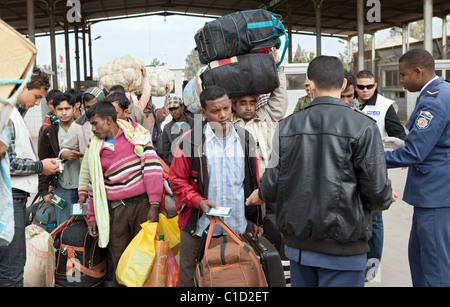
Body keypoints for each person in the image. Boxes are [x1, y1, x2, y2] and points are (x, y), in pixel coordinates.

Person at [246, 56, 396, 287]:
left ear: (311, 84)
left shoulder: (286, 127)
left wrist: (260, 193)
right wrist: (386, 193)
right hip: (344, 249)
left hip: (299, 249)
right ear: (344, 85)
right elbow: (376, 194)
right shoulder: (364, 127)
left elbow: (273, 182)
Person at [168, 85, 262, 287]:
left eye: (226, 109)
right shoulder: (188, 143)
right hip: (198, 229)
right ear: (203, 113)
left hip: (235, 228)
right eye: (215, 111)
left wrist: (255, 218)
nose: (223, 115)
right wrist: (199, 202)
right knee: (191, 281)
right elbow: (176, 181)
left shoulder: (245, 139)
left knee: (234, 280)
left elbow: (253, 182)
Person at [384, 48, 450, 287]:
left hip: (435, 194)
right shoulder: (442, 91)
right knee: (420, 256)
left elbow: (414, 153)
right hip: (435, 192)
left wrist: (372, 157)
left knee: (434, 266)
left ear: (418, 72)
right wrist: (405, 142)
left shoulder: (433, 102)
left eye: (403, 75)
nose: (401, 81)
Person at [84, 101, 163, 286]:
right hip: (117, 210)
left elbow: (152, 169)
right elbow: (93, 185)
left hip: (142, 206)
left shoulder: (136, 136)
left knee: (145, 256)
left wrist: (154, 204)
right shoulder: (95, 148)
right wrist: (92, 217)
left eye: (95, 123)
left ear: (109, 120)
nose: (92, 128)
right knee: (120, 259)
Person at [0, 68, 60, 287]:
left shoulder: (12, 112)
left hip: (12, 196)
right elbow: (10, 163)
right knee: (12, 266)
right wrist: (40, 166)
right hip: (11, 197)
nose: (37, 103)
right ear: (23, 86)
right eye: (36, 97)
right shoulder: (7, 115)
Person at [354, 69, 406, 276]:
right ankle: (356, 265)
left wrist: (401, 153)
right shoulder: (349, 102)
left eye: (369, 86)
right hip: (351, 171)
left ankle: (372, 270)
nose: (365, 90)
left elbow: (399, 136)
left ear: (375, 85)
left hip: (374, 171)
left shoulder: (385, 106)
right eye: (361, 86)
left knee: (374, 221)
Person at [232, 48, 288, 179]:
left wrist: (277, 69)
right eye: (243, 103)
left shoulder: (264, 116)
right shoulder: (227, 123)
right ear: (233, 105)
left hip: (264, 182)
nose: (248, 108)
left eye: (252, 103)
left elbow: (279, 100)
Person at [38, 93, 79, 225]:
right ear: (54, 111)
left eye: (67, 108)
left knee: (87, 225)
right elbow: (43, 161)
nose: (64, 113)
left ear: (74, 108)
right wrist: (44, 191)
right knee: (64, 226)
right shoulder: (49, 132)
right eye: (60, 109)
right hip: (62, 188)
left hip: (86, 187)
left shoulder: (86, 128)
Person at [134, 67, 170, 146]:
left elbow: (166, 111)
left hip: (152, 149)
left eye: (146, 97)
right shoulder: (135, 111)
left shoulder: (155, 114)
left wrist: (167, 94)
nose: (143, 99)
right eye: (140, 97)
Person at [158, 96, 194, 166]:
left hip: (192, 165)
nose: (174, 111)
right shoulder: (167, 128)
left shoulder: (194, 123)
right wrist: (171, 163)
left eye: (176, 108)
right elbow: (165, 151)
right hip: (175, 166)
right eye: (171, 109)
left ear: (182, 107)